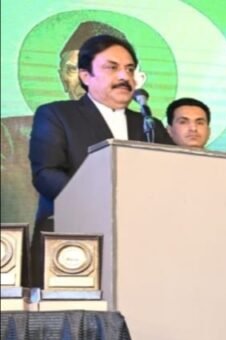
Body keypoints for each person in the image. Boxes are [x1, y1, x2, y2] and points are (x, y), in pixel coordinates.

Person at [27, 33, 172, 285]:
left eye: (130, 69)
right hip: (72, 244)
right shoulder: (57, 114)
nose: (124, 76)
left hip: (140, 247)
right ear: (85, 76)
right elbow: (46, 174)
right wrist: (106, 206)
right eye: (112, 67)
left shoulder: (150, 125)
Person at [1, 22, 125, 264]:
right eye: (72, 70)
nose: (81, 80)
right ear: (61, 76)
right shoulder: (12, 138)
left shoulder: (144, 133)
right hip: (55, 255)